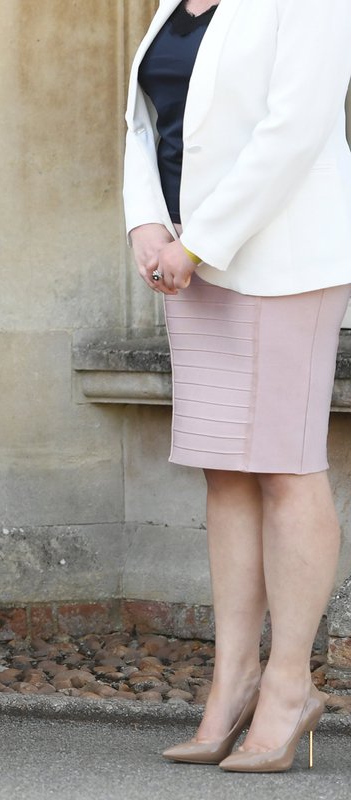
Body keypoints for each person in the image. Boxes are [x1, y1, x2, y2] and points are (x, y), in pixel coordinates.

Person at [125, 0, 351, 773]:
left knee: (287, 466)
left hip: (281, 260)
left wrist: (203, 239)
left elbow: (293, 132)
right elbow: (146, 121)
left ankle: (289, 685)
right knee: (225, 468)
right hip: (189, 259)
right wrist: (148, 224)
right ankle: (232, 682)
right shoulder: (171, 4)